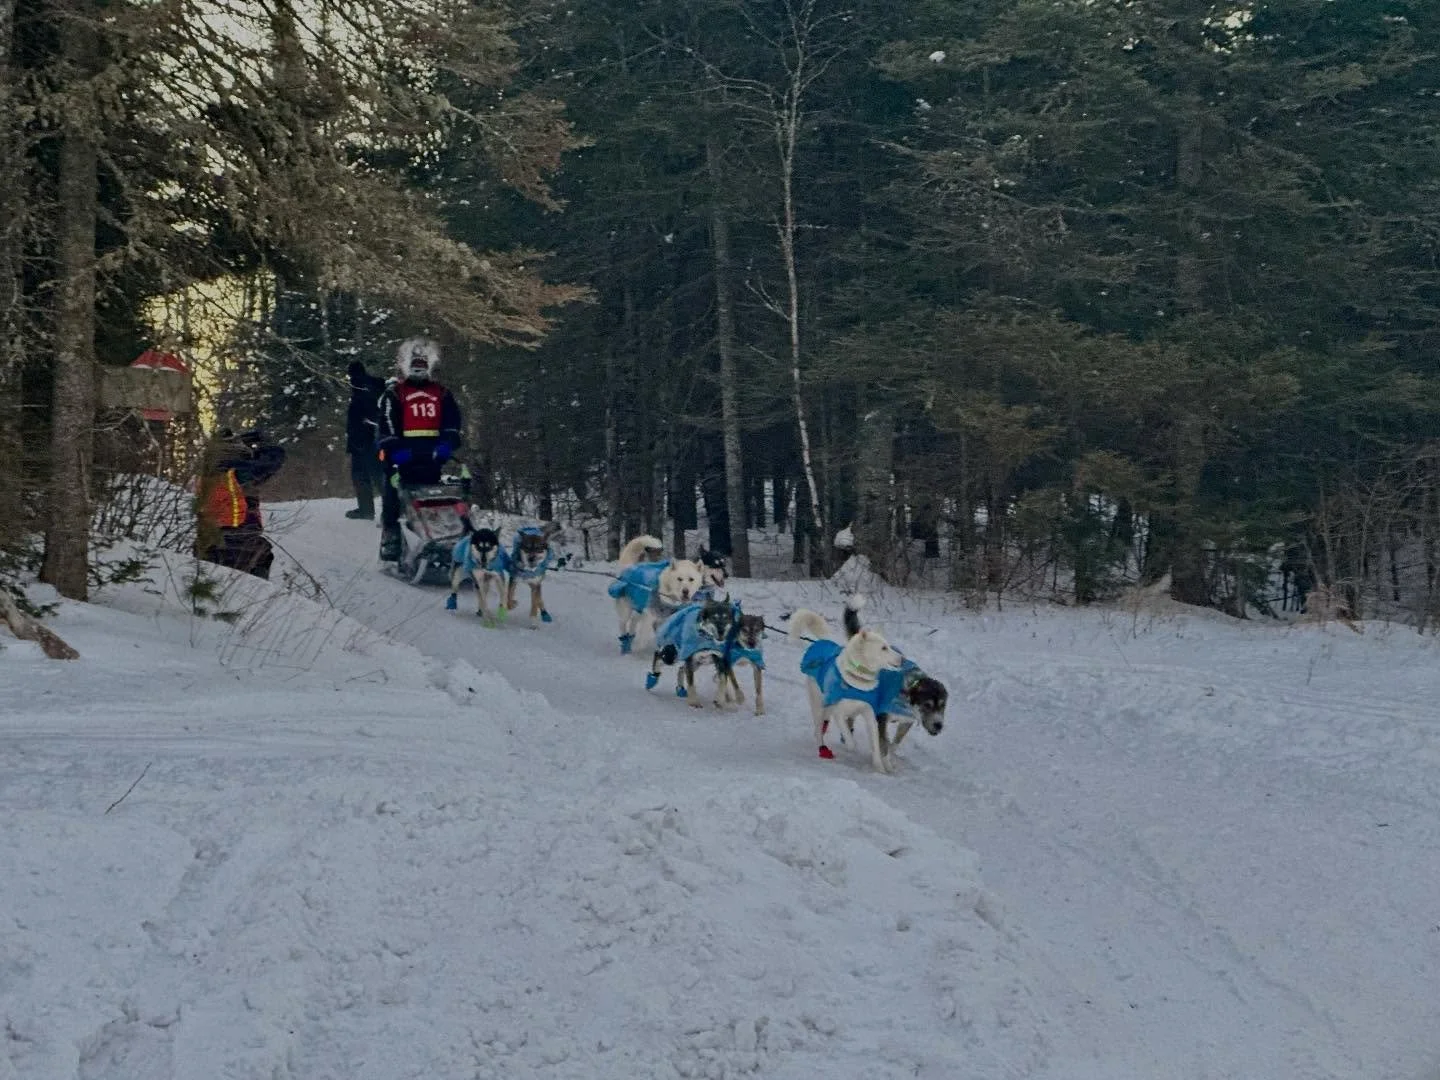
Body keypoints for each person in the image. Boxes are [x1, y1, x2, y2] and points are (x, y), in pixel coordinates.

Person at [376, 337, 463, 562]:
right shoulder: (393, 394)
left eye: (422, 364)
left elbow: (452, 423)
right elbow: (387, 424)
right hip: (402, 457)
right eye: (415, 363)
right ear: (405, 366)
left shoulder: (442, 394)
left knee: (435, 496)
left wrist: (447, 444)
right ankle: (391, 536)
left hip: (433, 456)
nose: (418, 368)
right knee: (394, 494)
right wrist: (394, 448)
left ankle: (445, 538)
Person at [195, 427, 286, 580]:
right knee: (259, 562)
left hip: (208, 542)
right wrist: (265, 441)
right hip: (237, 541)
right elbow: (272, 460)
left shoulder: (206, 477)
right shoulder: (236, 473)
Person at [345, 360, 386, 520]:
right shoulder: (374, 386)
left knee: (363, 475)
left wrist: (360, 435)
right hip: (372, 438)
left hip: (364, 439)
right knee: (377, 475)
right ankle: (388, 507)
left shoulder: (361, 386)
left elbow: (365, 414)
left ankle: (368, 510)